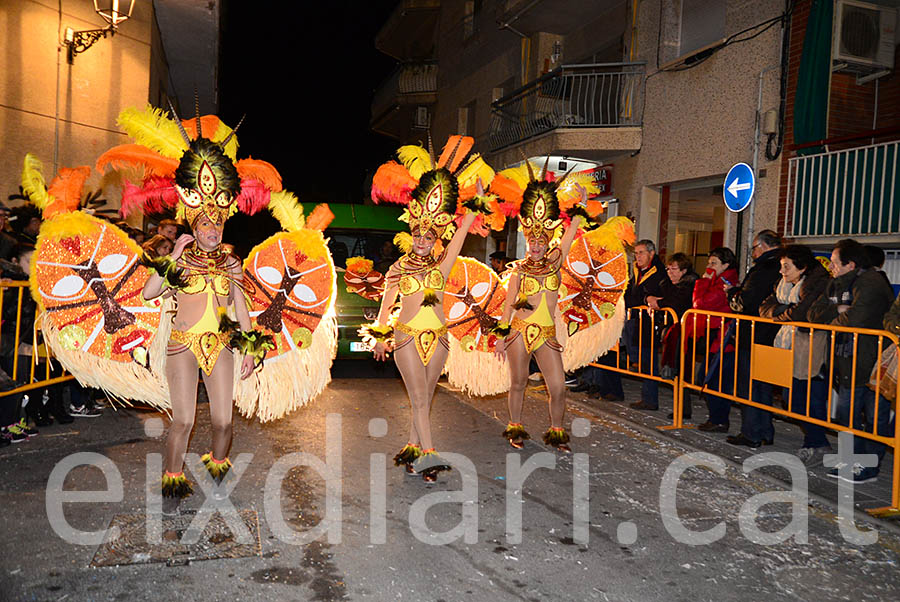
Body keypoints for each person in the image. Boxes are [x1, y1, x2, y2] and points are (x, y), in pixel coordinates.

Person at [141, 137, 264, 514]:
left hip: (221, 345)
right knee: (183, 420)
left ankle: (217, 469)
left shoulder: (230, 265)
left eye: (219, 225)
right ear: (195, 224)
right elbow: (149, 293)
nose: (214, 230)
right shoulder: (180, 260)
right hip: (182, 347)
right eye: (207, 224)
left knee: (225, 423)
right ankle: (173, 482)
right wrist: (174, 256)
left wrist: (249, 347)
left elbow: (240, 307)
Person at [365, 136, 485, 482]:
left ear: (435, 239)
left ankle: (412, 449)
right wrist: (380, 338)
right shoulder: (397, 269)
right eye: (418, 236)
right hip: (405, 338)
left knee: (425, 399)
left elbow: (462, 232)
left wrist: (474, 203)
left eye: (428, 237)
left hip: (439, 339)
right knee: (418, 398)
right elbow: (387, 304)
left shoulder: (441, 268)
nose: (421, 241)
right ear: (411, 233)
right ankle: (430, 458)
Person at [494, 173, 591, 452]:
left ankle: (557, 432)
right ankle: (515, 427)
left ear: (547, 241)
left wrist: (580, 208)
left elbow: (570, 235)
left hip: (546, 334)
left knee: (558, 386)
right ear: (527, 241)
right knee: (518, 382)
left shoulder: (555, 263)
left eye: (540, 241)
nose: (536, 245)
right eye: (531, 241)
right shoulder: (518, 272)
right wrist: (501, 336)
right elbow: (508, 305)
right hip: (519, 332)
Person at [808, 238, 894, 483]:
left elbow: (856, 320)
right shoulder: (837, 283)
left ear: (850, 264)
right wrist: (838, 311)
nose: (831, 268)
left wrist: (837, 316)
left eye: (835, 263)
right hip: (847, 359)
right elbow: (813, 315)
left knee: (874, 414)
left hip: (871, 359)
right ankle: (850, 459)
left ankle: (868, 466)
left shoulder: (872, 283)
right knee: (847, 413)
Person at [759, 245, 830, 463]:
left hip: (811, 348)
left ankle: (817, 443)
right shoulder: (782, 285)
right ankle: (815, 441)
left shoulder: (816, 283)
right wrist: (783, 310)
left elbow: (801, 313)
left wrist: (782, 310)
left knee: (809, 400)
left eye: (786, 267)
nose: (782, 272)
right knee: (792, 399)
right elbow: (764, 307)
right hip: (788, 345)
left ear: (802, 268)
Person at [719, 230, 782, 446]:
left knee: (751, 386)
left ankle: (751, 432)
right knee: (763, 386)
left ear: (763, 246)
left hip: (754, 334)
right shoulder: (781, 265)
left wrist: (732, 293)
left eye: (754, 248)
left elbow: (746, 302)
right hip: (772, 335)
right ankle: (765, 430)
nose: (753, 253)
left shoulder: (764, 269)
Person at [688, 247, 739, 432]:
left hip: (723, 338)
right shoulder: (718, 281)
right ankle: (717, 418)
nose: (709, 267)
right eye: (708, 263)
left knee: (713, 379)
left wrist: (702, 282)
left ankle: (719, 419)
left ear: (725, 265)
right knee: (709, 378)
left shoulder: (725, 282)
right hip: (716, 337)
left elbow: (700, 303)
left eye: (714, 263)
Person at [647, 252, 698, 417]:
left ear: (684, 270)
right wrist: (652, 299)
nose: (670, 272)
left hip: (687, 331)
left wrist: (658, 303)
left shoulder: (690, 284)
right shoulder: (667, 283)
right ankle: (680, 407)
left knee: (682, 369)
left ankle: (684, 409)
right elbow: (662, 296)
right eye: (668, 269)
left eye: (674, 269)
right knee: (676, 369)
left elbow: (675, 301)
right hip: (674, 331)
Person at [625, 239, 667, 411]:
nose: (638, 256)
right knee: (643, 359)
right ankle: (647, 397)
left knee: (649, 361)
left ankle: (650, 399)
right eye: (636, 253)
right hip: (638, 321)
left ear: (652, 253)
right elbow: (630, 295)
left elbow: (649, 295)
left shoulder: (657, 272)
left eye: (641, 252)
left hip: (651, 322)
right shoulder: (639, 271)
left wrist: (642, 298)